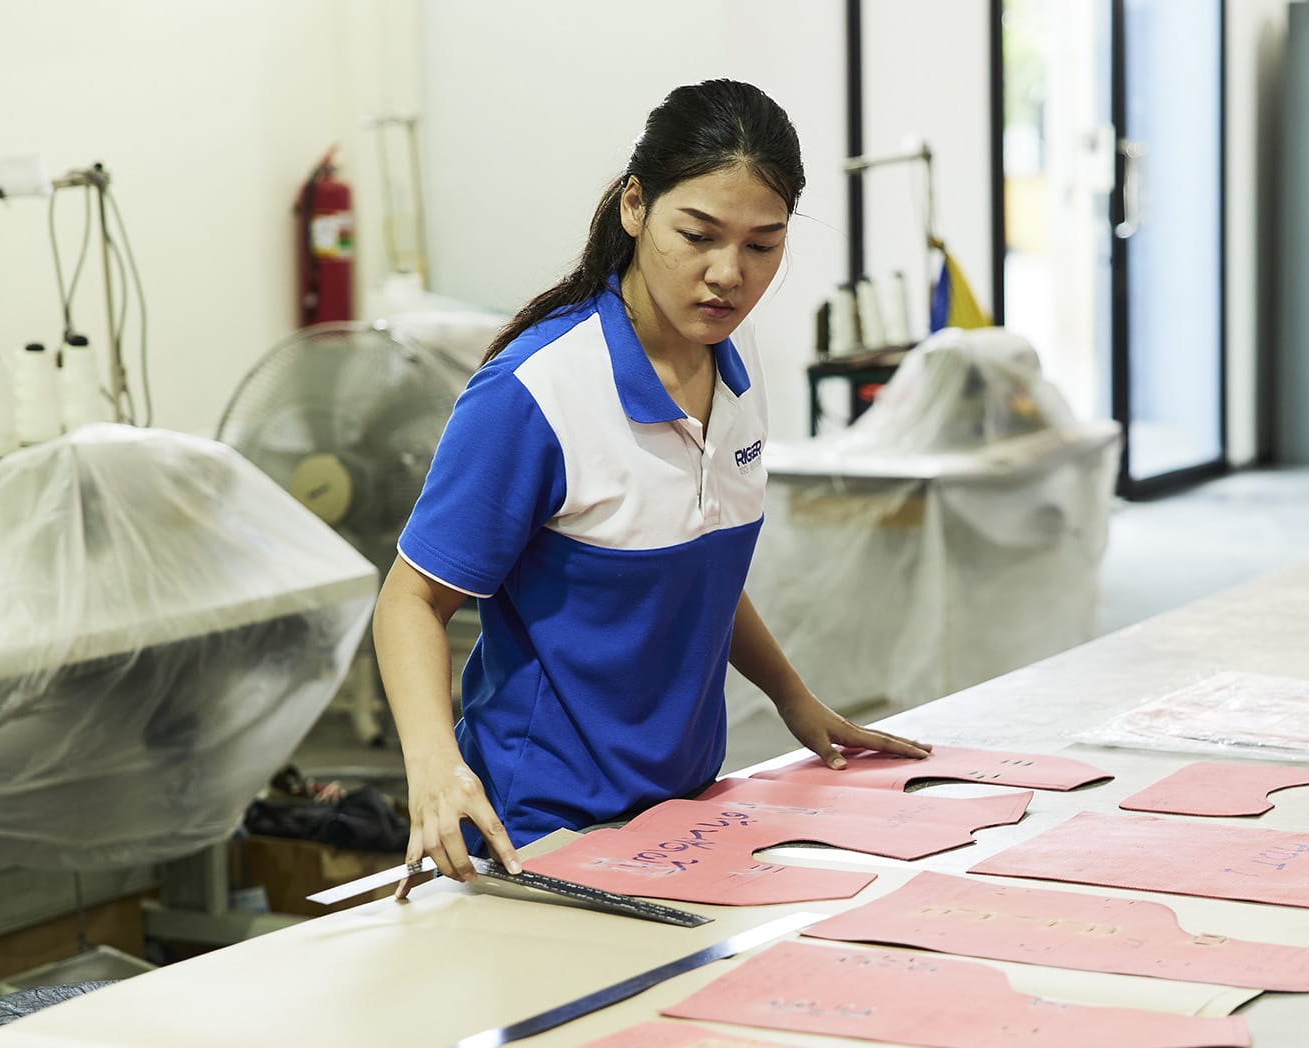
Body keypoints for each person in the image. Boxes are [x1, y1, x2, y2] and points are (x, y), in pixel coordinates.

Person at [374, 79, 929, 888]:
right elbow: (410, 600)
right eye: (697, 235)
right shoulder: (538, 392)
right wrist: (432, 765)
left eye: (762, 245)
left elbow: (694, 564)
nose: (727, 275)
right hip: (539, 829)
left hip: (682, 813)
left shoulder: (736, 380)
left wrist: (792, 696)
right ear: (635, 206)